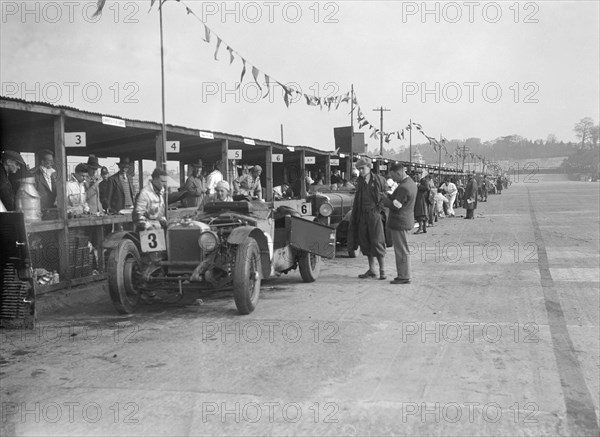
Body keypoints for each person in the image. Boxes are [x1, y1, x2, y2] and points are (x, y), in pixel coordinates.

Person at [347, 157, 388, 280]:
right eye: (359, 169)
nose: (360, 171)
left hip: (374, 215)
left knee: (377, 242)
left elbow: (385, 196)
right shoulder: (359, 182)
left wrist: (379, 210)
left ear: (369, 167)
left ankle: (382, 270)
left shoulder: (379, 180)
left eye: (362, 168)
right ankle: (372, 270)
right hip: (362, 215)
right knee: (365, 242)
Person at [382, 162, 417, 285]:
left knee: (401, 250)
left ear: (399, 173)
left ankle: (404, 276)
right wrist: (391, 196)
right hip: (406, 220)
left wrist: (384, 200)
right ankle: (403, 274)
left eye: (393, 176)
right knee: (402, 249)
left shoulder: (403, 187)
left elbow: (397, 205)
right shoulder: (410, 184)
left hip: (400, 222)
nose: (393, 179)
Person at [133, 167, 168, 232]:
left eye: (165, 182)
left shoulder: (160, 193)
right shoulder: (144, 193)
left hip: (157, 229)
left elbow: (160, 214)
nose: (165, 184)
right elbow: (138, 217)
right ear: (154, 179)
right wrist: (149, 227)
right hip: (145, 231)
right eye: (162, 181)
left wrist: (165, 222)